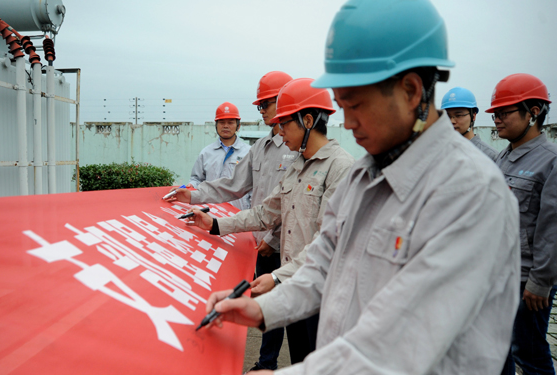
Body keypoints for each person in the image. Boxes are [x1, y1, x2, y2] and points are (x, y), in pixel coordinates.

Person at [200, 1, 521, 374]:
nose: (347, 122)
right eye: (340, 105)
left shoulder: (470, 194)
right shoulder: (363, 176)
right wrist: (262, 308)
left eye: (357, 105)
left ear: (411, 90)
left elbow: (397, 347)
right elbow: (324, 261)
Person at [186, 77, 355, 365]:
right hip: (294, 288)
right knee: (301, 357)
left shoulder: (340, 168)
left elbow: (326, 242)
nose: (279, 130)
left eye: (285, 123)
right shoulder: (297, 166)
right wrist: (214, 224)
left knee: (322, 363)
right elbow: (265, 213)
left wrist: (277, 277)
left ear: (309, 120)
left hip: (321, 293)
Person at [166, 71, 296, 371]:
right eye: (260, 105)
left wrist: (272, 240)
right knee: (269, 308)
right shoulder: (261, 148)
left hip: (285, 244)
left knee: (300, 317)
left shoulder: (297, 151)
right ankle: (266, 364)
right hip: (259, 242)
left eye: (266, 103)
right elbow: (232, 185)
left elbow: (291, 204)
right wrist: (192, 196)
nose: (261, 110)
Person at [486, 73, 557, 375]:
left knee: (527, 352)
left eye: (504, 113)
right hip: (496, 274)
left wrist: (540, 282)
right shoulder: (504, 156)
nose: (497, 120)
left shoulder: (550, 160)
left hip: (526, 281)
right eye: (495, 114)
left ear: (534, 112)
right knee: (495, 348)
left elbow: (552, 229)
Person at [188, 102, 251, 210]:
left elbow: (254, 185)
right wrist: (191, 185)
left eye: (230, 122)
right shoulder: (206, 153)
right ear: (216, 125)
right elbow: (197, 179)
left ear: (238, 126)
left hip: (239, 215)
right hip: (211, 213)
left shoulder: (249, 152)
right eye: (222, 122)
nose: (226, 126)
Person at [440, 87, 498, 161]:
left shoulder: (490, 156)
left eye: (458, 115)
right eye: (447, 116)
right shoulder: (441, 153)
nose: (452, 121)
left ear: (473, 116)